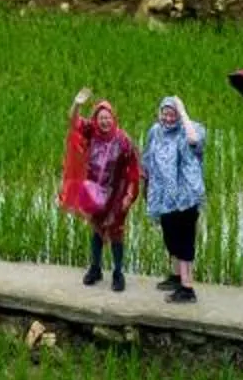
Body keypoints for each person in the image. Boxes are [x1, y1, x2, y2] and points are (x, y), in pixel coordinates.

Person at [61, 89, 140, 291]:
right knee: (96, 229)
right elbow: (73, 122)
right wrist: (77, 103)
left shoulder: (124, 141)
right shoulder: (92, 131)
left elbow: (133, 169)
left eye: (108, 118)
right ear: (96, 119)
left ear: (113, 119)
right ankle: (95, 268)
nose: (104, 121)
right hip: (94, 192)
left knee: (116, 232)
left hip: (116, 194)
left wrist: (129, 195)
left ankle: (118, 273)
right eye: (100, 117)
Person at [142, 95, 208, 304]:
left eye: (173, 114)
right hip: (164, 196)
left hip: (186, 196)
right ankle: (176, 276)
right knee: (170, 238)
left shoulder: (191, 129)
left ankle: (187, 290)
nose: (169, 118)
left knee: (184, 240)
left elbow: (193, 141)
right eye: (165, 113)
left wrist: (183, 110)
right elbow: (148, 158)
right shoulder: (155, 131)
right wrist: (146, 184)